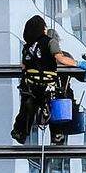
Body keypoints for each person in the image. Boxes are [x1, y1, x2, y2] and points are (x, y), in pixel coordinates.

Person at [11, 15, 78, 145]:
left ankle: (20, 132)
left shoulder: (28, 47)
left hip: (32, 86)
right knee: (57, 103)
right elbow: (62, 59)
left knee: (27, 106)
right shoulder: (51, 44)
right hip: (50, 86)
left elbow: (23, 65)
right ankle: (57, 134)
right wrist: (79, 64)